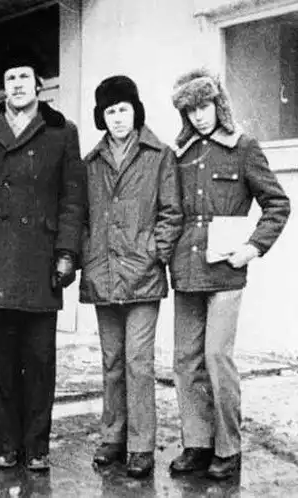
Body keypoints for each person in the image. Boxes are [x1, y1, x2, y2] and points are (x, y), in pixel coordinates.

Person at [0, 46, 85, 471]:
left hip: (42, 261)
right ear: (4, 86)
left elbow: (72, 199)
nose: (17, 85)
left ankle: (38, 447)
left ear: (39, 85)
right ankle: (6, 444)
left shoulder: (62, 131)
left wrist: (67, 252)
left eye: (24, 77)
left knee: (40, 360)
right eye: (10, 78)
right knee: (2, 362)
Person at [168, 68, 290, 480]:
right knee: (186, 361)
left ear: (218, 105)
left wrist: (253, 247)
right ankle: (197, 444)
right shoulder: (181, 153)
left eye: (204, 106)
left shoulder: (244, 148)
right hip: (186, 270)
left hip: (225, 271)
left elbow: (277, 204)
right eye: (190, 110)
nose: (199, 116)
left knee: (217, 358)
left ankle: (228, 448)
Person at [81, 76, 182, 478]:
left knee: (138, 362)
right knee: (111, 361)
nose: (118, 118)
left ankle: (141, 446)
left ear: (135, 111)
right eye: (110, 111)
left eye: (123, 109)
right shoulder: (91, 163)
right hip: (103, 273)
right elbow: (83, 217)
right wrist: (90, 255)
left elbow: (171, 212)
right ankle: (113, 438)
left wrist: (155, 253)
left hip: (143, 276)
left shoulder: (159, 155)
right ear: (101, 117)